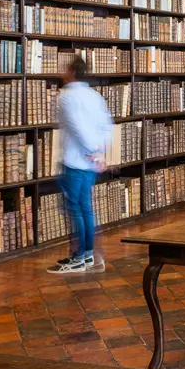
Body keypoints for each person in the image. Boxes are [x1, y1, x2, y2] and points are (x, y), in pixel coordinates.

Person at [50, 56, 114, 274]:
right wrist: (99, 151)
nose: (62, 73)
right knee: (84, 208)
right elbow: (107, 125)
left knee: (75, 208)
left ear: (72, 72)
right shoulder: (95, 96)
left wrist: (91, 152)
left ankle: (81, 257)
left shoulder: (66, 97)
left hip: (76, 160)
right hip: (90, 161)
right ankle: (86, 255)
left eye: (65, 69)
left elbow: (77, 128)